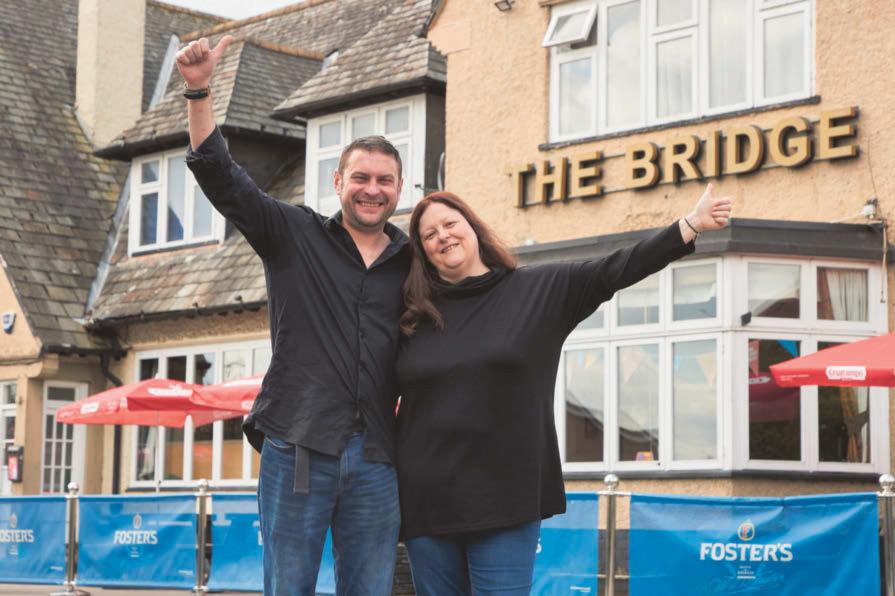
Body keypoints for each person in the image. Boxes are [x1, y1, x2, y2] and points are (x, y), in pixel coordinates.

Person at [395, 185, 732, 595]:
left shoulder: (539, 291)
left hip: (504, 497)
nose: (442, 236)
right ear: (423, 252)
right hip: (427, 502)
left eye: (450, 224)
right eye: (429, 235)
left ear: (473, 228)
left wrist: (690, 225)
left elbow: (616, 269)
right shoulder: (412, 316)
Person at [176, 36, 409, 595]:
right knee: (288, 586)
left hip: (377, 455)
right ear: (338, 182)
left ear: (399, 188)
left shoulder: (412, 261)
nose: (371, 190)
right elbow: (219, 174)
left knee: (372, 588)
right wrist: (198, 89)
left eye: (384, 180)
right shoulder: (293, 234)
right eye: (360, 177)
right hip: (298, 447)